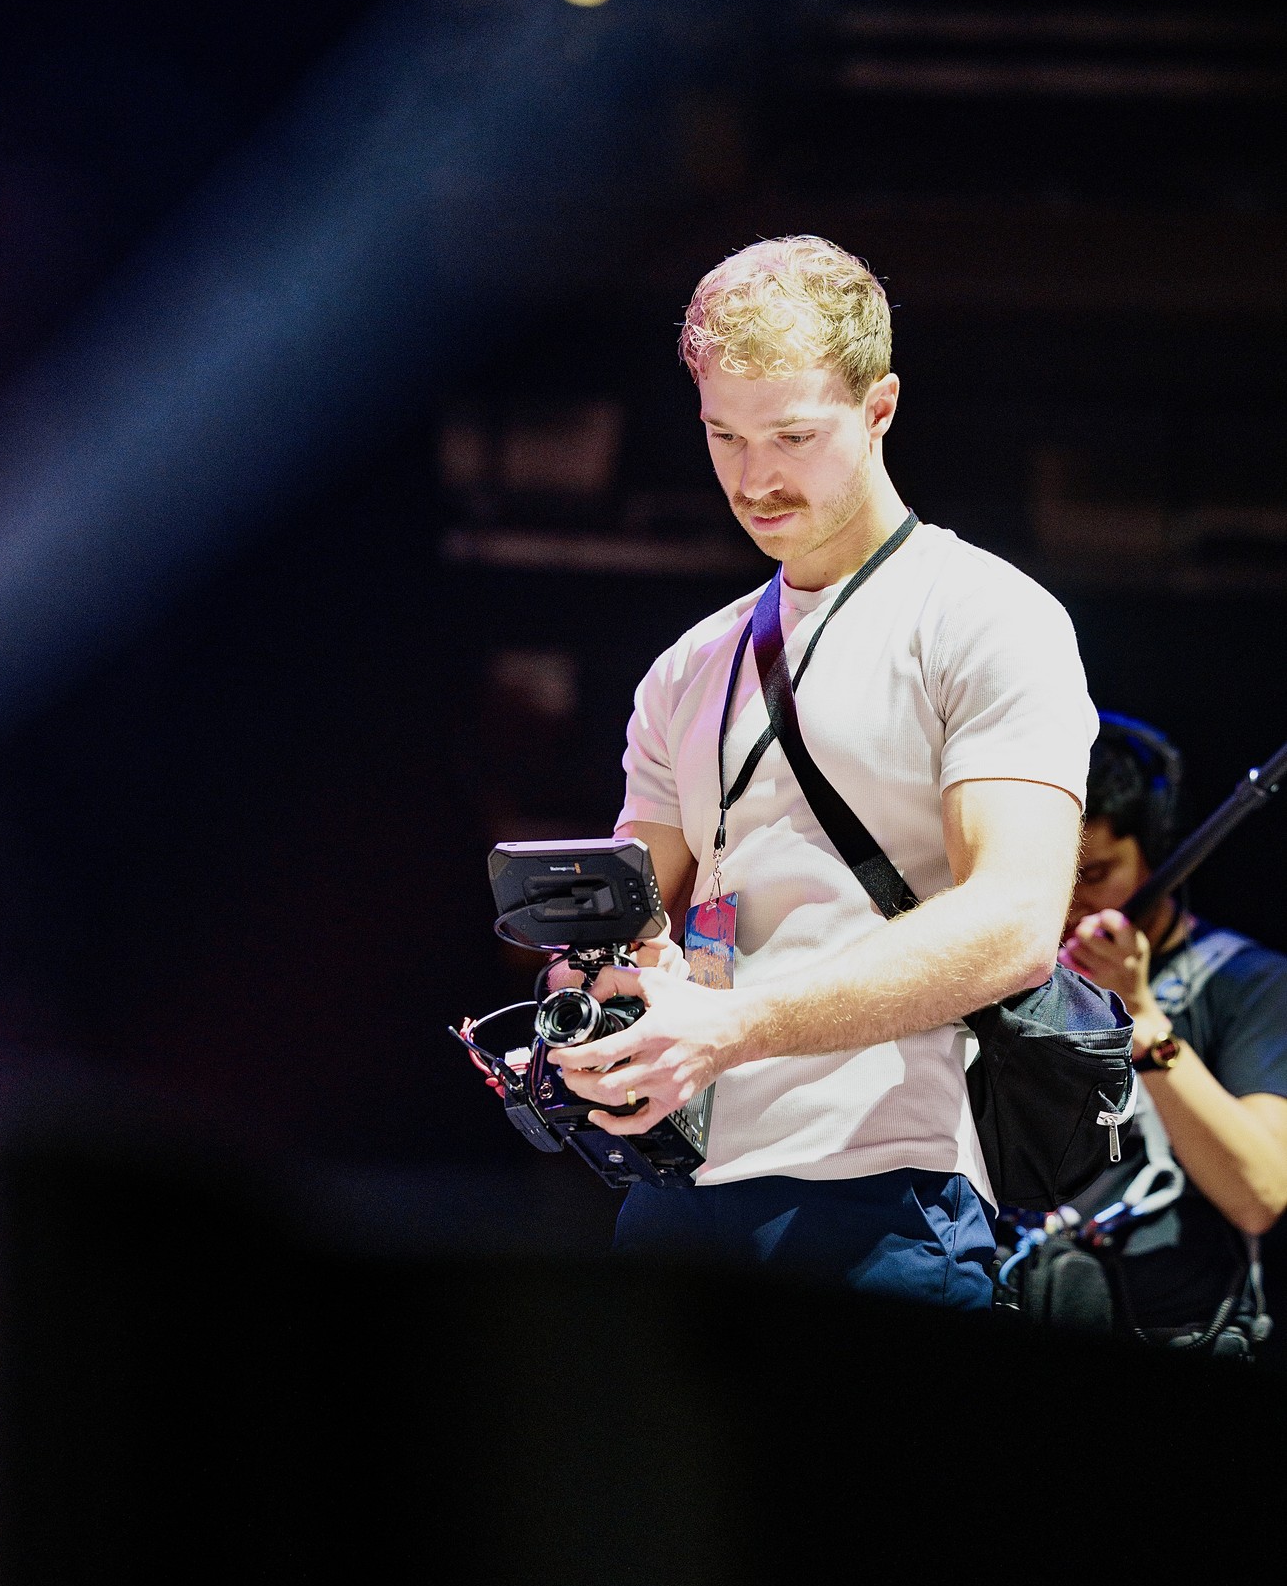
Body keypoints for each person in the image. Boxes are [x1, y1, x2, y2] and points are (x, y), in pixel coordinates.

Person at [546, 234, 1097, 1306]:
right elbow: (632, 908)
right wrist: (590, 990)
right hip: (674, 1187)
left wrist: (731, 1025)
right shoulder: (686, 665)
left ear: (881, 406)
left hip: (884, 1192)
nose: (755, 477)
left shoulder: (985, 616)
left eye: (794, 435)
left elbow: (1016, 922)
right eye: (724, 435)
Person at [1058, 715, 1287, 1346]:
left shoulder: (1252, 984)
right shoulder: (1022, 967)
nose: (1069, 902)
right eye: (1055, 873)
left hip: (1175, 1330)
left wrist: (1143, 1021)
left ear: (1156, 855)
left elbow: (1260, 1191)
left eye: (1096, 874)